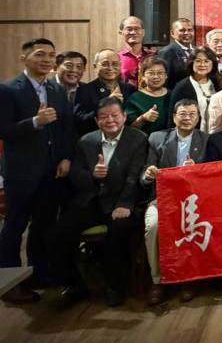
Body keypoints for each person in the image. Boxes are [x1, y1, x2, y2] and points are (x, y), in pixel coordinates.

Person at [47, 97, 147, 308]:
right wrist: (92, 175)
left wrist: (125, 204)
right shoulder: (86, 141)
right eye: (103, 117)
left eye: (114, 115)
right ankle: (75, 285)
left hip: (121, 201)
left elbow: (134, 176)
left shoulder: (138, 139)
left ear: (124, 117)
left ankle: (115, 287)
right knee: (57, 235)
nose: (110, 120)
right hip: (91, 200)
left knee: (118, 232)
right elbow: (75, 175)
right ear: (96, 121)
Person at [0, 39, 73, 305]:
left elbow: (65, 127)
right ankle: (9, 284)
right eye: (40, 54)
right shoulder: (8, 89)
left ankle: (38, 273)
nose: (47, 60)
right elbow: (4, 130)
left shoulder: (56, 89)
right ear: (24, 58)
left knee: (44, 224)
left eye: (51, 55)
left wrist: (65, 157)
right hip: (21, 171)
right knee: (15, 225)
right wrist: (34, 122)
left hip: (52, 170)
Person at [140, 99, 208, 305]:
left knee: (193, 224)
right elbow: (144, 174)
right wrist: (148, 174)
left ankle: (189, 277)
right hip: (162, 197)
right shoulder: (156, 138)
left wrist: (197, 170)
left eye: (192, 114)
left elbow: (212, 175)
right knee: (154, 226)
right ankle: (157, 280)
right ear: (174, 117)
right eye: (182, 114)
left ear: (198, 117)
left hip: (194, 200)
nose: (187, 118)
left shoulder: (207, 139)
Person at [74, 49, 137, 135]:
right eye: (105, 64)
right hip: (97, 138)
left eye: (115, 64)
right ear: (95, 66)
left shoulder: (129, 89)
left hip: (126, 137)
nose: (110, 68)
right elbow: (80, 121)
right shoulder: (84, 90)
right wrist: (106, 103)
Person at [167, 47, 219, 133]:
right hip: (193, 135)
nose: (202, 64)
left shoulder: (217, 83)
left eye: (206, 61)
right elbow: (172, 118)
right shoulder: (182, 87)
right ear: (191, 63)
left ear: (213, 64)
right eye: (198, 61)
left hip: (215, 133)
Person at [125, 56, 171, 135]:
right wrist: (143, 118)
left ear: (166, 75)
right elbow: (129, 129)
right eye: (151, 73)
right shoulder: (135, 98)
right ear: (143, 76)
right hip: (144, 140)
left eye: (160, 73)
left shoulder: (173, 95)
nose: (156, 77)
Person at [157, 18, 195, 89]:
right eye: (182, 30)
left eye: (190, 30)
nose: (187, 33)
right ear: (172, 33)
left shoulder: (197, 51)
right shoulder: (167, 52)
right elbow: (163, 80)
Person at [118, 16, 155, 86]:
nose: (133, 32)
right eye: (129, 29)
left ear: (143, 32)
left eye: (137, 29)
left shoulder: (154, 56)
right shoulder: (117, 58)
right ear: (121, 32)